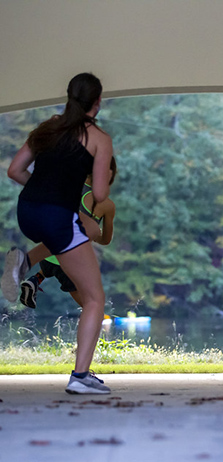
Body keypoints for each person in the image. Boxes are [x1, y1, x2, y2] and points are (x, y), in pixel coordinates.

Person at [5, 72, 114, 394]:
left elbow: (14, 170)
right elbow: (100, 193)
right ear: (97, 102)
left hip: (27, 211)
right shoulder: (98, 138)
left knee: (60, 238)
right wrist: (103, 169)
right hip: (57, 217)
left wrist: (44, 189)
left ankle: (23, 262)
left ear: (69, 97)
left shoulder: (49, 127)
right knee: (95, 298)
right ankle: (81, 376)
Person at [20, 158, 117, 309]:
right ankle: (99, 326)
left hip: (48, 250)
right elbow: (105, 240)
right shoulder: (107, 205)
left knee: (50, 266)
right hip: (71, 260)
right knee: (91, 306)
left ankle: (35, 280)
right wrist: (93, 232)